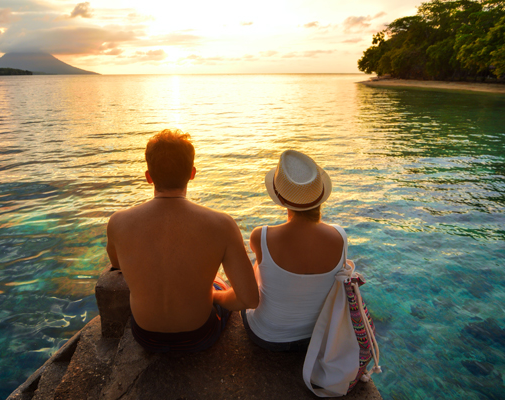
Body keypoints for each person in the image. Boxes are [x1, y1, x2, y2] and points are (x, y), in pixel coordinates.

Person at [106, 129, 259, 353]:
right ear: (192, 173)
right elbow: (249, 299)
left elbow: (117, 265)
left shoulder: (118, 222)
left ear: (148, 176)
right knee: (217, 280)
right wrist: (215, 295)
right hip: (199, 336)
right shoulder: (221, 224)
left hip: (145, 336)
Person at [242, 149, 347, 351]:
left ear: (280, 199)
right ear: (321, 194)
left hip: (266, 336)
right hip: (315, 337)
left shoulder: (261, 236)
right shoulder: (340, 237)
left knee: (259, 268)